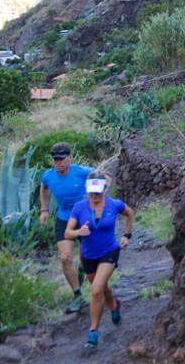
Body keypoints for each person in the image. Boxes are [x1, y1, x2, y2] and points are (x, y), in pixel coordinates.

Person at [66, 172, 134, 350]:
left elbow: (129, 214)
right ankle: (113, 306)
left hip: (109, 252)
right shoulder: (79, 208)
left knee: (96, 290)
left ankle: (93, 331)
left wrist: (127, 236)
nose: (94, 196)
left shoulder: (114, 204)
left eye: (97, 192)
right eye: (91, 192)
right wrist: (78, 232)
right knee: (102, 287)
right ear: (87, 190)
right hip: (88, 256)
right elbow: (68, 233)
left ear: (105, 189)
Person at [38, 142, 94, 313]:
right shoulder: (48, 176)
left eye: (62, 159)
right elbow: (44, 189)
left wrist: (99, 200)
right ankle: (78, 296)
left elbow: (101, 176)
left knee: (87, 258)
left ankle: (82, 270)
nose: (58, 163)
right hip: (63, 219)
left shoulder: (82, 172)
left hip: (83, 218)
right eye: (55, 160)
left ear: (69, 158)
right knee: (65, 257)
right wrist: (44, 209)